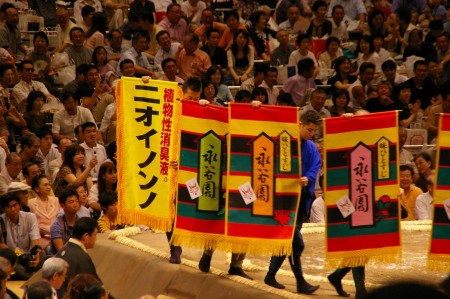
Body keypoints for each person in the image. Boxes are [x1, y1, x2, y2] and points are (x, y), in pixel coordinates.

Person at [264, 110, 321, 294]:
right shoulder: (283, 141)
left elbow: (316, 166)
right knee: (296, 242)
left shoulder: (311, 147)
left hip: (301, 197)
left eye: (314, 131)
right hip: (282, 199)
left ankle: (271, 275)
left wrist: (308, 178)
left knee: (287, 239)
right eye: (309, 130)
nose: (311, 134)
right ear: (300, 125)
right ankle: (300, 281)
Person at [55, 217, 100, 298]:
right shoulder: (82, 258)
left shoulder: (63, 250)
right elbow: (95, 287)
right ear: (86, 236)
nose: (96, 238)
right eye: (95, 235)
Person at [0, 192, 41, 278]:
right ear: (4, 209)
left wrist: (35, 254)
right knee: (16, 269)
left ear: (19, 205)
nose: (13, 209)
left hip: (28, 255)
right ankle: (30, 276)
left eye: (15, 205)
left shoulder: (30, 217)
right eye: (8, 207)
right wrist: (16, 254)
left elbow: (35, 239)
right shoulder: (1, 221)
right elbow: (1, 245)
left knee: (42, 256)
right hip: (12, 257)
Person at [29, 174, 60, 243]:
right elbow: (31, 225)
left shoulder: (56, 200)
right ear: (37, 189)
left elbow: (61, 219)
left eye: (49, 184)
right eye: (45, 185)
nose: (48, 187)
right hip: (40, 237)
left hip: (57, 236)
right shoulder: (30, 203)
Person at [50, 189, 80, 255]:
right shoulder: (57, 226)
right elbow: (62, 252)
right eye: (71, 202)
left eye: (77, 201)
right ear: (62, 206)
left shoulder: (81, 222)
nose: (75, 205)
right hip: (61, 260)